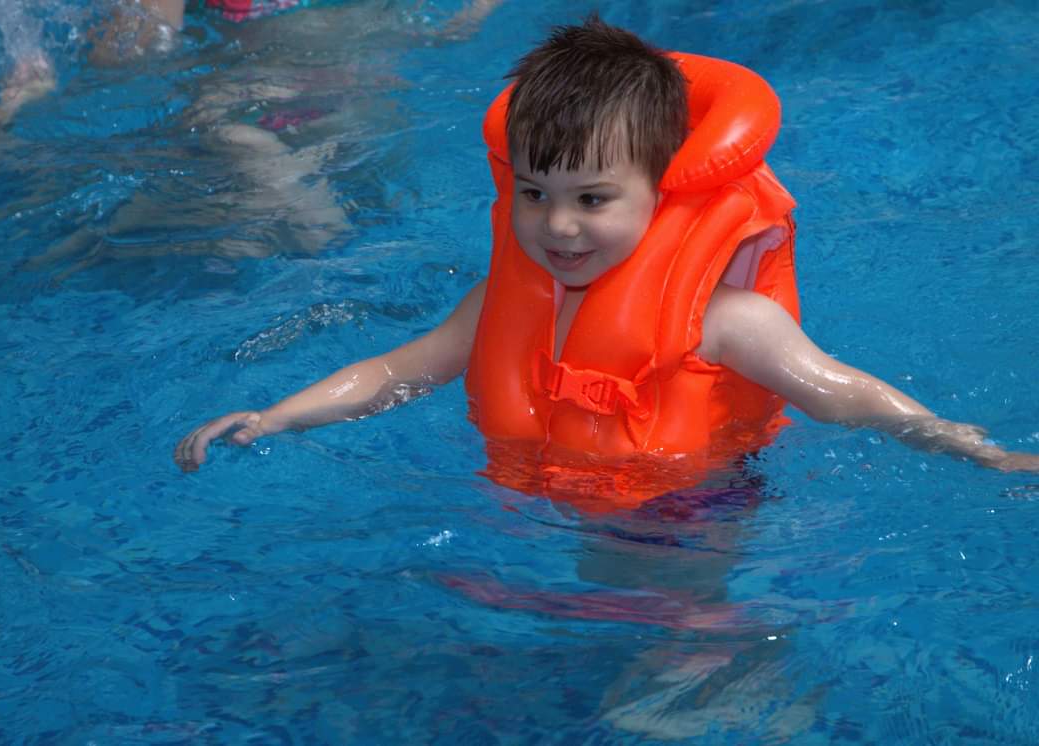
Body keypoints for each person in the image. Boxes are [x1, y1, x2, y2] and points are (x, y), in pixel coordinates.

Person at [174, 15, 1039, 486]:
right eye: (534, 194)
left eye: (592, 200)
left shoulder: (727, 320)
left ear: (664, 191)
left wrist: (974, 449)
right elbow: (395, 373)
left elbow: (844, 395)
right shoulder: (505, 301)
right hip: (545, 501)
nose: (558, 227)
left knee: (676, 642)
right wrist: (276, 416)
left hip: (688, 515)